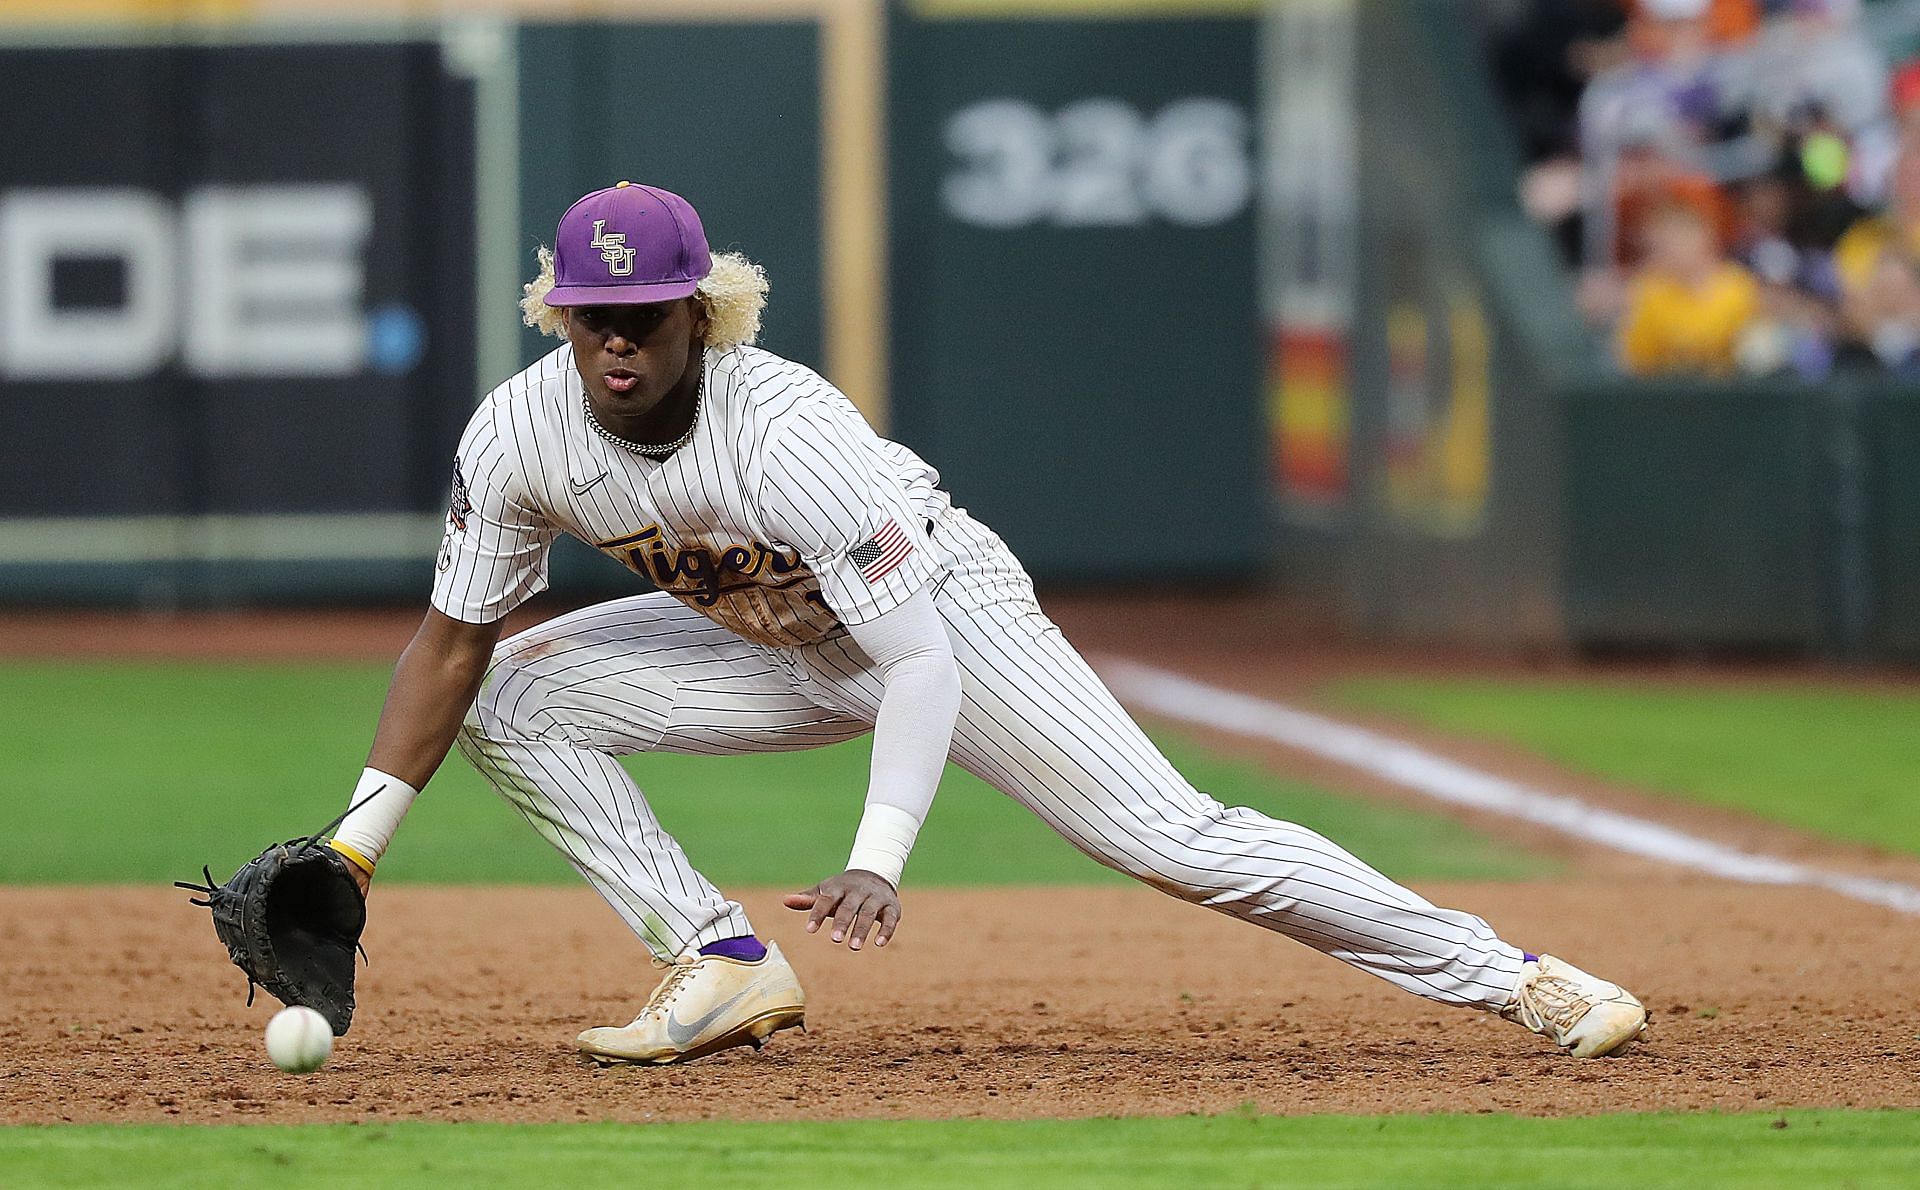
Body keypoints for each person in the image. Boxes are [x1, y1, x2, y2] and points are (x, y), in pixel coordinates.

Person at [322, 181, 1649, 1065]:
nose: (614, 341)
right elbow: (450, 639)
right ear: (558, 313)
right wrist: (357, 847)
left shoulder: (786, 431)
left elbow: (917, 664)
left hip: (941, 619)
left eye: (642, 315)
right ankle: (717, 959)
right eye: (587, 315)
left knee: (1173, 837)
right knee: (510, 690)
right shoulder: (519, 429)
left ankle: (1514, 975)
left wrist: (880, 853)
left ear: (698, 312)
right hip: (773, 641)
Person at [1618, 199, 1761, 374]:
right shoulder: (1648, 290)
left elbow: (1755, 354)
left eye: (1670, 243)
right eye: (1657, 248)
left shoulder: (1738, 287)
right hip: (1668, 394)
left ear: (1701, 238)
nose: (1664, 255)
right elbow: (1637, 362)